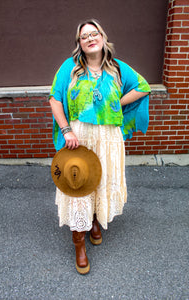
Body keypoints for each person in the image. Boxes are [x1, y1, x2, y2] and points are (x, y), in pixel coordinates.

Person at [49, 19, 151, 274]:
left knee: (101, 181)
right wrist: (66, 130)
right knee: (78, 187)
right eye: (84, 36)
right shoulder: (69, 68)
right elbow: (54, 99)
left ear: (103, 38)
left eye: (94, 33)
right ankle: (79, 244)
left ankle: (95, 222)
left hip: (108, 139)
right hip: (79, 139)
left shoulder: (117, 68)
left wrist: (116, 100)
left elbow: (143, 87)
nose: (90, 38)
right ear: (79, 44)